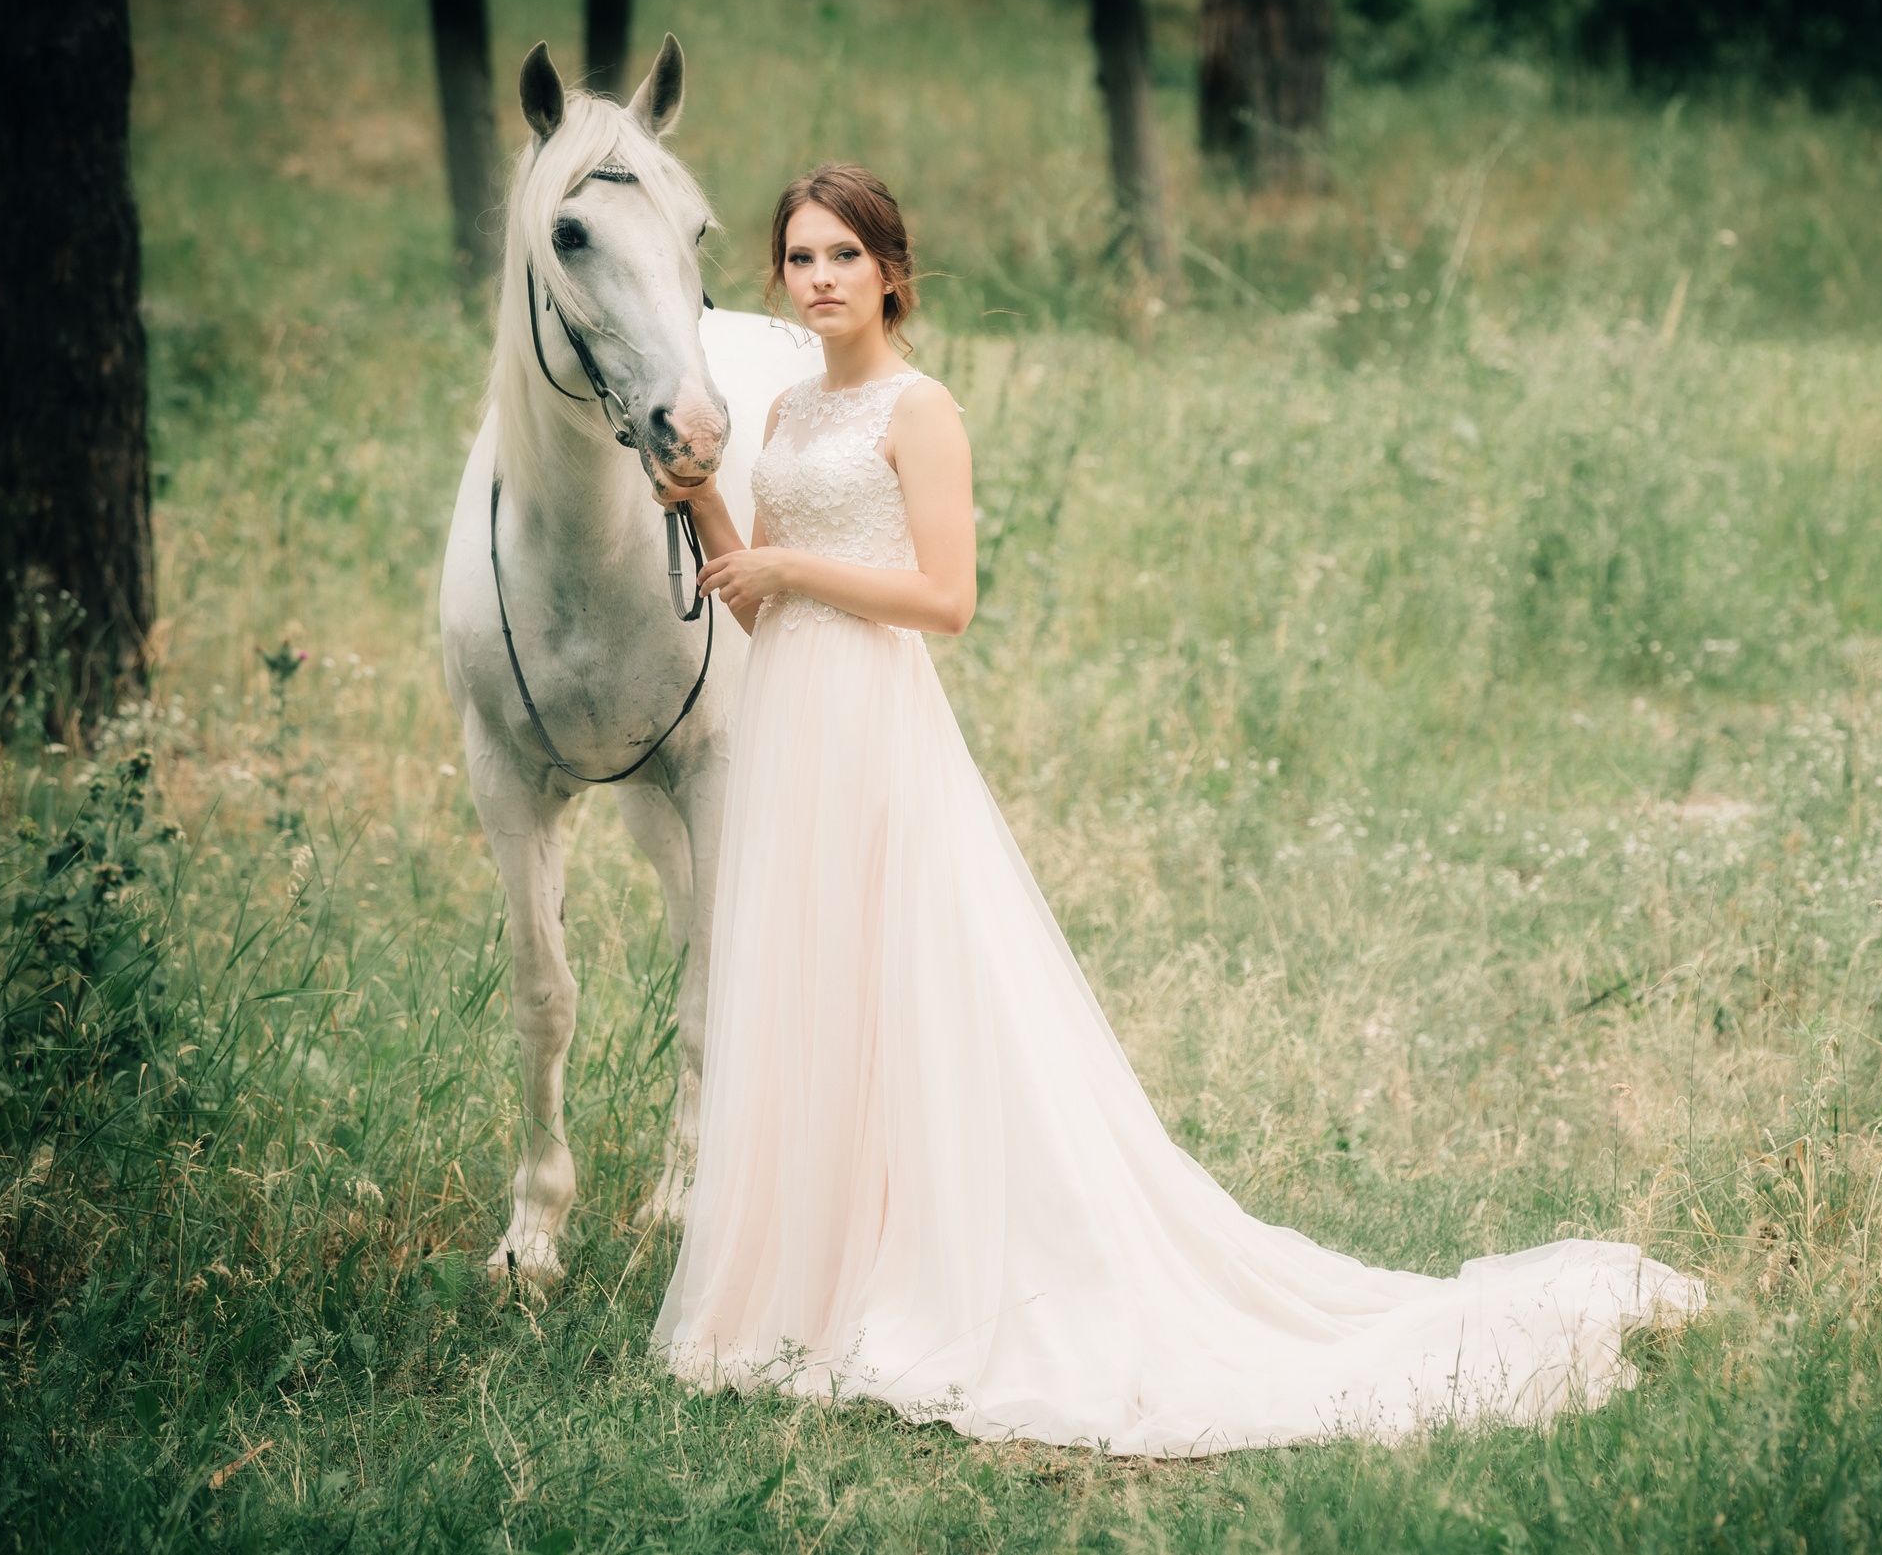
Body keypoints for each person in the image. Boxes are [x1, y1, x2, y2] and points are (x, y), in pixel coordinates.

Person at [649, 163, 1702, 1457]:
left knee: (905, 987)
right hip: (792, 724)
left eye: (841, 258)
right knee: (812, 992)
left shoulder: (920, 411)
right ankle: (813, 1277)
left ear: (890, 272)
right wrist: (704, 500)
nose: (817, 279)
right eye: (798, 257)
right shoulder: (792, 413)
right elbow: (757, 605)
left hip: (874, 722)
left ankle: (945, 1263)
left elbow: (944, 599)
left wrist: (798, 560)